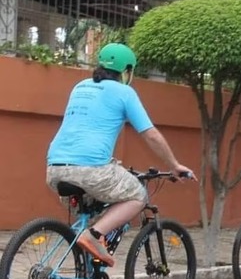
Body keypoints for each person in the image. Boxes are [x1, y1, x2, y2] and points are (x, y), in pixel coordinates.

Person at [46, 42, 196, 267]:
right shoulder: (125, 92)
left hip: (54, 169)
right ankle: (93, 236)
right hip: (90, 170)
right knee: (137, 196)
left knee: (97, 214)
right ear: (127, 70)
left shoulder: (80, 87)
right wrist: (174, 165)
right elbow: (151, 135)